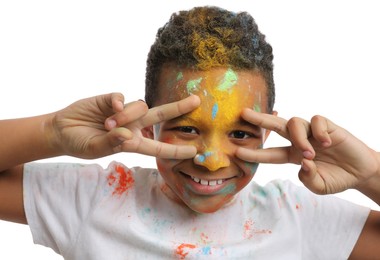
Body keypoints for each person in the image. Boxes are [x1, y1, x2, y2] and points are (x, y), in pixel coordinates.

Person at [1, 5, 379, 259]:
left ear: (268, 132)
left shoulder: (298, 217)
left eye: (241, 134)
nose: (211, 161)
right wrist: (50, 132)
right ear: (150, 125)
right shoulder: (93, 200)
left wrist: (369, 173)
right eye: (185, 129)